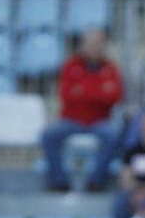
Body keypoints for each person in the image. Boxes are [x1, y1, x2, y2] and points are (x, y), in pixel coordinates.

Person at [42, 30, 123, 192]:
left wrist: (82, 90)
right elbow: (66, 96)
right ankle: (58, 180)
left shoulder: (110, 68)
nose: (96, 47)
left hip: (99, 121)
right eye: (92, 43)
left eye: (99, 44)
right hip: (72, 120)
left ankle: (96, 181)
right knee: (49, 135)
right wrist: (100, 90)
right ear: (84, 45)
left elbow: (115, 96)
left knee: (113, 137)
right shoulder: (70, 65)